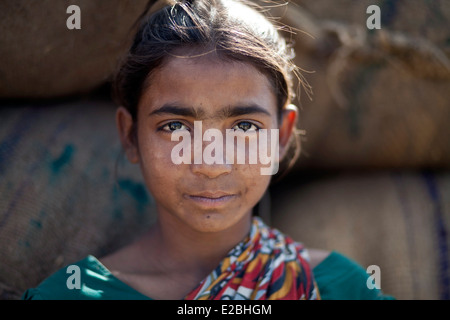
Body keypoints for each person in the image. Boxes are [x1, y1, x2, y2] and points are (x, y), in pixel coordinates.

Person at [22, 0, 393, 300]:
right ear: (130, 135)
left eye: (245, 127)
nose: (211, 165)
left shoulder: (338, 288)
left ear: (282, 136)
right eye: (176, 127)